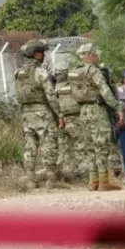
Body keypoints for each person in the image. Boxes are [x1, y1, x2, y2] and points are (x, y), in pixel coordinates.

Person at [66, 44, 125, 191]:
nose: (97, 58)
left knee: (89, 147)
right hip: (97, 109)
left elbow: (73, 94)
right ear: (90, 55)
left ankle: (93, 181)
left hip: (83, 111)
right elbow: (105, 91)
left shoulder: (73, 72)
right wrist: (118, 107)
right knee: (101, 145)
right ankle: (104, 182)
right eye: (96, 55)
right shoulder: (93, 71)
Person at [14, 39, 62, 189]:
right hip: (43, 112)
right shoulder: (41, 72)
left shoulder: (18, 72)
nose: (43, 56)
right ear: (35, 54)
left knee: (30, 147)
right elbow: (51, 95)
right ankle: (50, 179)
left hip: (26, 113)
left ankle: (30, 179)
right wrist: (59, 114)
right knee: (49, 144)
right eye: (41, 53)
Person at [49, 51, 74, 182]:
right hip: (57, 120)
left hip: (72, 118)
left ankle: (77, 172)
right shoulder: (51, 85)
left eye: (61, 72)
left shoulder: (72, 84)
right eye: (57, 72)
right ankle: (62, 172)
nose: (58, 74)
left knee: (78, 146)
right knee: (62, 147)